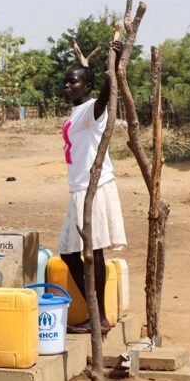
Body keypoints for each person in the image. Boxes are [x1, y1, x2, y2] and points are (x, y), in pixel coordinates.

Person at [59, 41, 127, 335]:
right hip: (79, 189)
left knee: (93, 250)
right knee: (69, 252)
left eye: (73, 81)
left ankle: (98, 317)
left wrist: (114, 65)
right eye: (65, 82)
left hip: (94, 187)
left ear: (86, 86)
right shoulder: (75, 114)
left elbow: (103, 99)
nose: (67, 86)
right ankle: (95, 312)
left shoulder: (89, 110)